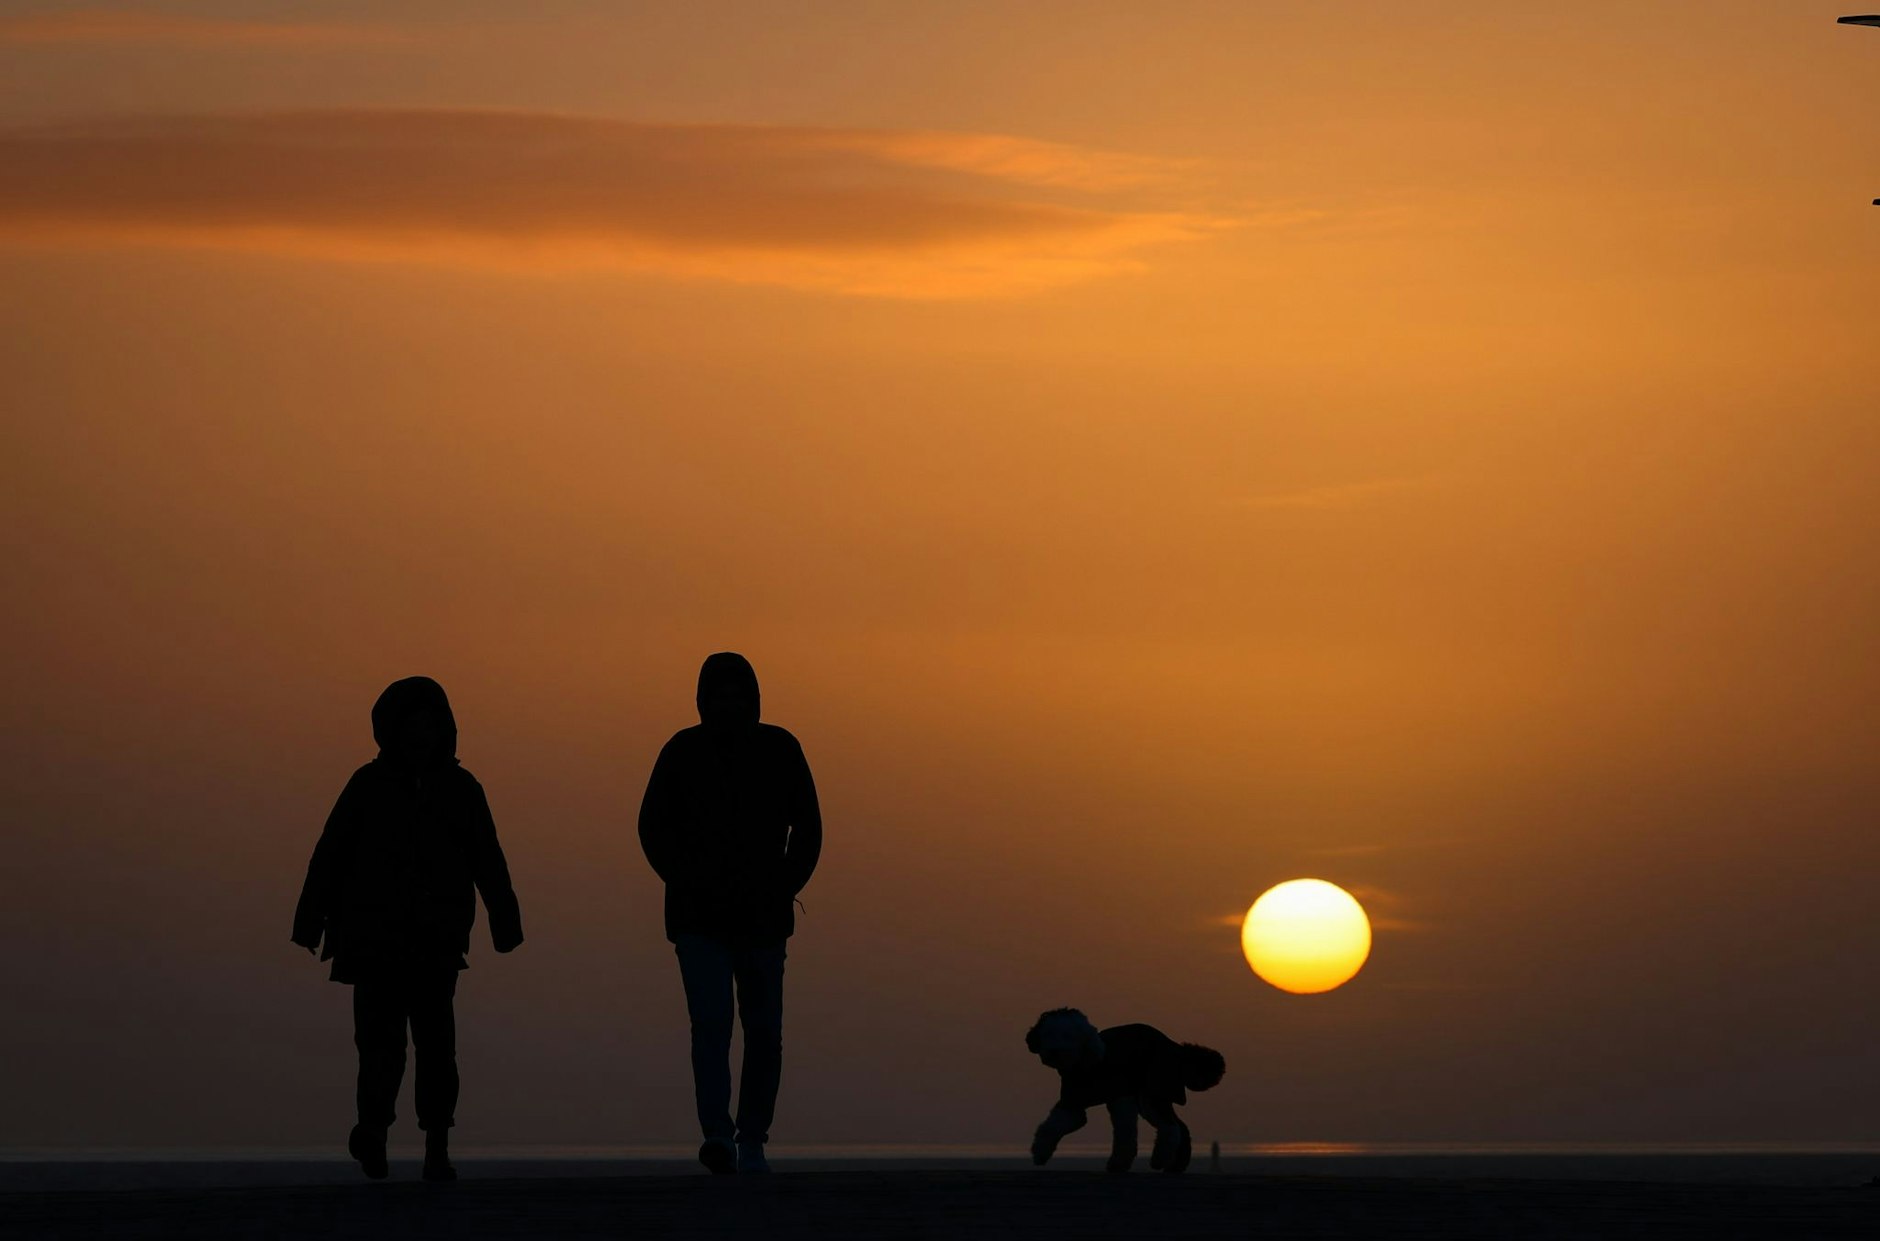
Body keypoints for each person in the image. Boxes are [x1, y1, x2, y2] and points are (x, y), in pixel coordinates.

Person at [291, 676, 523, 1182]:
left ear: (445, 731)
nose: (421, 735)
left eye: (430, 725)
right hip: (372, 943)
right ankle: (373, 1131)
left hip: (436, 945)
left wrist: (505, 921)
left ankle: (436, 1148)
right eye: (411, 726)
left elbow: (489, 860)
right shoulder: (366, 786)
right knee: (379, 1046)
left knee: (437, 1050)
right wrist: (309, 921)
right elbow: (329, 856)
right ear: (390, 732)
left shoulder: (463, 790)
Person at [638, 653, 822, 1174]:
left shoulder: (780, 749)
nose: (729, 704)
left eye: (738, 695)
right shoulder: (681, 751)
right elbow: (652, 827)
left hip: (763, 921)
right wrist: (685, 880)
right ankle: (717, 1134)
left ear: (754, 698)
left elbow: (809, 828)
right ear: (702, 700)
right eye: (719, 695)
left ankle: (754, 1138)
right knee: (711, 1024)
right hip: (698, 921)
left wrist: (783, 886)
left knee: (763, 1030)